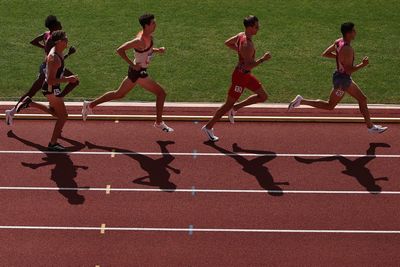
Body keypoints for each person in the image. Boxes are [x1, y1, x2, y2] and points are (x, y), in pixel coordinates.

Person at [288, 22, 387, 133]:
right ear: (349, 33)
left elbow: (325, 53)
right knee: (330, 105)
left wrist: (339, 58)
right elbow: (349, 70)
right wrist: (362, 65)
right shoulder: (348, 49)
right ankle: (301, 101)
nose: (356, 32)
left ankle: (370, 127)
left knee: (362, 99)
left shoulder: (338, 42)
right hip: (343, 81)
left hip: (342, 77)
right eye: (354, 30)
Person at [81, 13, 173, 132]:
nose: (155, 24)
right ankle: (159, 122)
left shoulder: (149, 36)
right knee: (161, 94)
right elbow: (120, 50)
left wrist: (157, 50)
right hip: (139, 73)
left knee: (118, 94)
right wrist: (132, 64)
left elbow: (146, 50)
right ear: (146, 25)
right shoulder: (138, 40)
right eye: (153, 23)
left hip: (137, 73)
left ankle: (89, 105)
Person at [202, 15, 271, 142]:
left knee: (263, 96)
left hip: (246, 75)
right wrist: (263, 59)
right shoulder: (247, 44)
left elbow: (227, 43)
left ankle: (236, 108)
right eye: (256, 26)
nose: (258, 28)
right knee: (228, 104)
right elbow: (248, 64)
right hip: (240, 77)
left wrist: (240, 51)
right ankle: (208, 127)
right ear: (250, 28)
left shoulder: (241, 35)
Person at [5, 15, 78, 125]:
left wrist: (43, 48)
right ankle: (12, 112)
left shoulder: (46, 35)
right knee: (33, 91)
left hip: (49, 66)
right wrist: (68, 54)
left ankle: (54, 101)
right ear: (54, 26)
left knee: (74, 82)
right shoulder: (51, 41)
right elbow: (54, 60)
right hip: (47, 68)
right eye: (58, 23)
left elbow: (33, 41)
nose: (61, 25)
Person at [28, 30, 79, 151]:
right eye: (65, 39)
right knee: (63, 116)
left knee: (56, 113)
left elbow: (56, 71)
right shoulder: (54, 57)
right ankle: (53, 143)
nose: (67, 40)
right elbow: (50, 80)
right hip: (51, 89)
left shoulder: (58, 52)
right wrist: (68, 79)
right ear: (59, 42)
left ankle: (30, 103)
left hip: (53, 88)